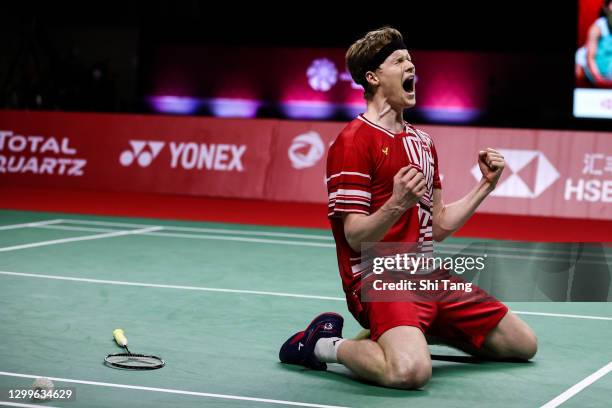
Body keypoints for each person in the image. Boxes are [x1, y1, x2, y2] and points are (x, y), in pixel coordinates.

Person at [279, 27, 537, 389]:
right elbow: (354, 237)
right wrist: (397, 204)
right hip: (378, 279)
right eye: (399, 60)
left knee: (522, 344)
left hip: (427, 275)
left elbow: (441, 225)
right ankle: (321, 344)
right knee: (410, 373)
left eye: (411, 59)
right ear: (373, 77)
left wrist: (485, 186)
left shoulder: (423, 142)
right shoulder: (353, 142)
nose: (410, 64)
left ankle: (411, 332)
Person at [576, 0, 612, 87]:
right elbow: (590, 58)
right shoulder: (598, 27)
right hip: (594, 72)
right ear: (606, 8)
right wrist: (599, 79)